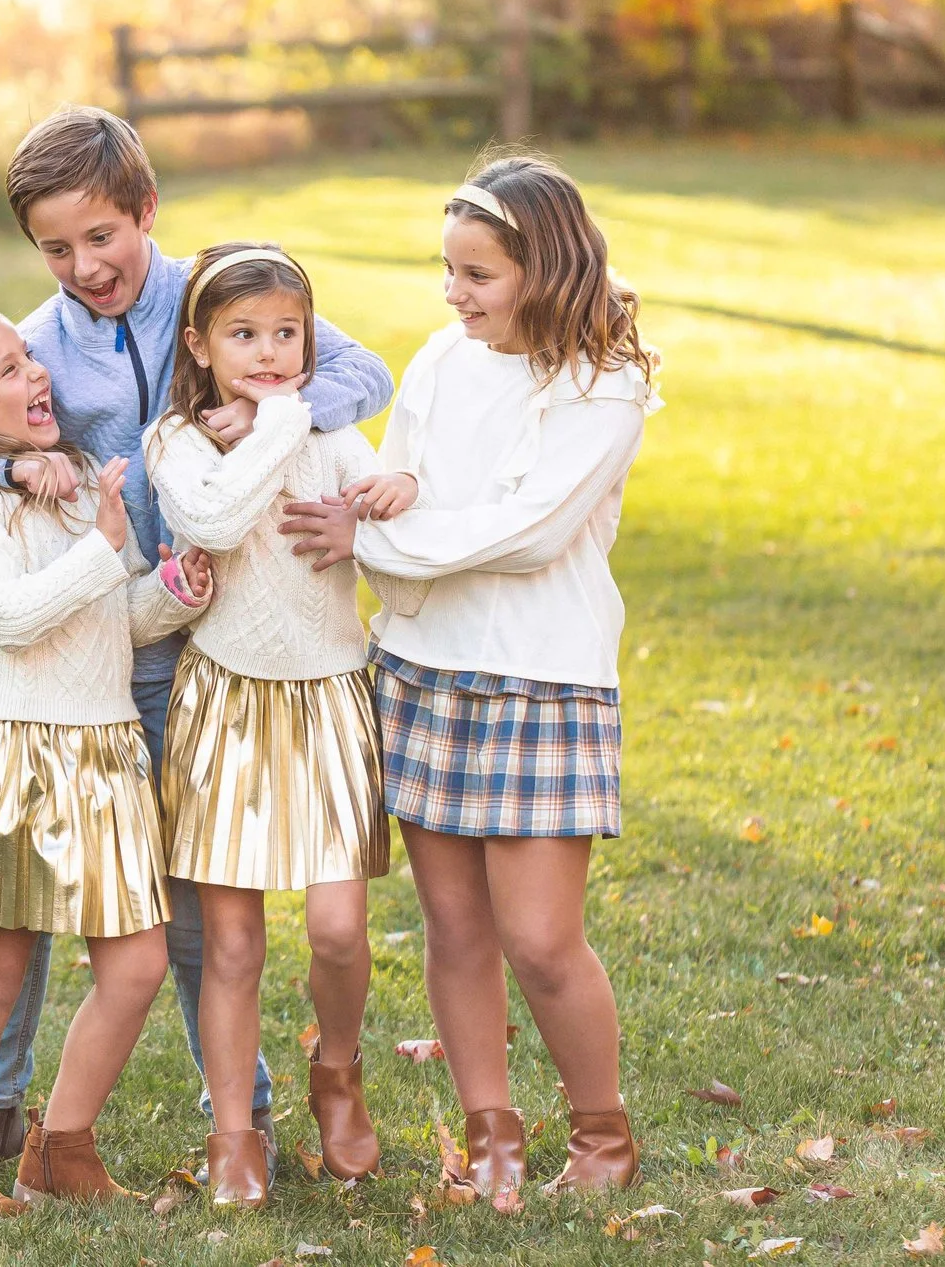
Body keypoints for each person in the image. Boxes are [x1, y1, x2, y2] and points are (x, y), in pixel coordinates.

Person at [0, 106, 395, 1163]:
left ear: (147, 209)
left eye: (101, 236)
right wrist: (6, 461)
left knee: (199, 905)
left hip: (219, 640)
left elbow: (367, 373)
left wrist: (273, 404)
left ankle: (236, 1112)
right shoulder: (39, 345)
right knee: (19, 901)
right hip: (102, 647)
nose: (84, 267)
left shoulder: (221, 297)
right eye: (55, 248)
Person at [282, 151, 659, 1209]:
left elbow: (529, 532)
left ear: (547, 269)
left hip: (542, 679)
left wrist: (371, 542)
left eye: (478, 274)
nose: (454, 293)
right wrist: (384, 502)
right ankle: (492, 1131)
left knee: (540, 937)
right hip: (422, 665)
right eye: (447, 269)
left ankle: (602, 1129)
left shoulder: (606, 384)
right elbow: (394, 480)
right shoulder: (444, 358)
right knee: (455, 927)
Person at [0, 298, 214, 1210]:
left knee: (137, 964)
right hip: (12, 750)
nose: (36, 374)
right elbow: (8, 617)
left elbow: (114, 615)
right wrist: (103, 545)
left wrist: (174, 590)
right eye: (7, 369)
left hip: (102, 747)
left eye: (28, 356)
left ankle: (62, 1147)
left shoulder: (74, 480)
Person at [141, 242, 407, 1206]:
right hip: (225, 704)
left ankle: (337, 1073)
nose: (267, 353)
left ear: (309, 339)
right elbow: (214, 522)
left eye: (286, 334)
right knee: (233, 944)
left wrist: (388, 505)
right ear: (199, 345)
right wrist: (280, 419)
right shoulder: (177, 441)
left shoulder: (334, 436)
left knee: (337, 929)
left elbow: (392, 528)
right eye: (243, 334)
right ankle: (234, 1131)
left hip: (329, 693)